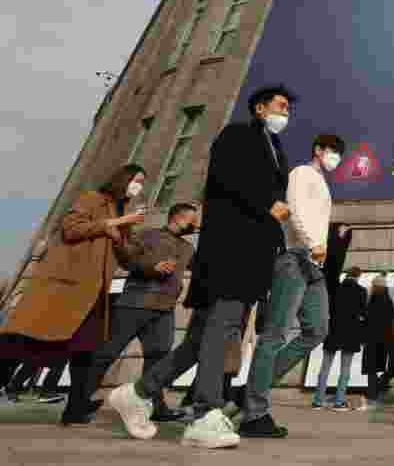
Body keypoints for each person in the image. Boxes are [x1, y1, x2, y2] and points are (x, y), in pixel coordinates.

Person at [107, 84, 296, 449]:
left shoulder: (276, 149)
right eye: (281, 105)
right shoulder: (237, 135)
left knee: (201, 339)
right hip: (230, 249)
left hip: (253, 253)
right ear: (259, 108)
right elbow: (228, 177)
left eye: (288, 108)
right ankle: (205, 413)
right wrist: (267, 203)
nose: (285, 112)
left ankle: (138, 393)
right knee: (222, 328)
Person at [0, 164, 149, 426]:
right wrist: (113, 223)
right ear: (123, 179)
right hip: (66, 287)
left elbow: (128, 258)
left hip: (94, 292)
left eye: (143, 182)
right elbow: (71, 229)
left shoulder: (124, 214)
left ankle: (76, 408)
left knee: (86, 351)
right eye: (137, 180)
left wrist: (120, 236)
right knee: (21, 343)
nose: (139, 186)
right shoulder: (93, 199)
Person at [240, 133, 342, 433]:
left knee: (318, 330)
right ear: (318, 150)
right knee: (275, 334)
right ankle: (255, 413)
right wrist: (312, 243)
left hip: (314, 264)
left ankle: (251, 390)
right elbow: (294, 210)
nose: (335, 157)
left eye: (339, 154)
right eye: (332, 151)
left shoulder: (322, 182)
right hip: (296, 256)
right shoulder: (302, 173)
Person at [81, 202, 199, 423]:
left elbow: (202, 268)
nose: (196, 223)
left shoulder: (187, 248)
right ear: (177, 218)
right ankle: (78, 401)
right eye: (192, 219)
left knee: (159, 358)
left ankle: (157, 407)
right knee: (107, 353)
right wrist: (152, 267)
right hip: (135, 304)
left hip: (164, 309)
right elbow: (127, 259)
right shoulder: (147, 235)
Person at [315, 267, 367, 411]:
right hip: (350, 332)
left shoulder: (335, 289)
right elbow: (363, 313)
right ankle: (339, 402)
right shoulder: (361, 291)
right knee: (345, 369)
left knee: (325, 367)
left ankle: (318, 401)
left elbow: (327, 308)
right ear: (358, 276)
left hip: (333, 330)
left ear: (347, 275)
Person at [362, 275, 394, 409]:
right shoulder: (387, 299)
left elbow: (369, 318)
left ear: (377, 286)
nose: (372, 287)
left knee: (371, 369)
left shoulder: (374, 299)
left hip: (374, 339)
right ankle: (376, 390)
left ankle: (373, 393)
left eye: (373, 285)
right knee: (377, 368)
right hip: (384, 339)